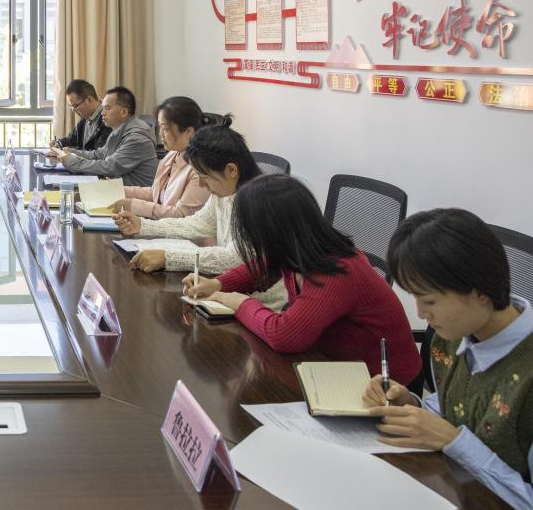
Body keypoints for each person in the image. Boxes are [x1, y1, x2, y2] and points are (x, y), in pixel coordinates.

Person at [362, 209, 533, 508]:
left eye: (428, 301)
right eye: (415, 298)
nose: (420, 314)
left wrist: (454, 442)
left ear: (480, 292)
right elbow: (454, 406)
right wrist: (410, 404)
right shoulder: (454, 333)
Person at [183, 174, 421, 385]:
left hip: (383, 383)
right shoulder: (297, 250)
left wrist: (238, 302)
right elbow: (260, 266)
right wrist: (218, 283)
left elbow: (283, 336)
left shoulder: (337, 271)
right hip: (331, 364)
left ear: (274, 232)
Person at [113, 121, 286, 309]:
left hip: (264, 305)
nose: (202, 185)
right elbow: (197, 224)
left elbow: (234, 258)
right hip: (235, 294)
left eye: (204, 177)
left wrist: (168, 258)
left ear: (231, 170)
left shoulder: (258, 202)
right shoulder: (224, 192)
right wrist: (144, 225)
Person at [109, 96, 211, 219]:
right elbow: (156, 194)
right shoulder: (173, 154)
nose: (160, 134)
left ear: (188, 131)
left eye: (166, 128)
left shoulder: (200, 168)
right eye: (160, 127)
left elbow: (182, 215)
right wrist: (118, 190)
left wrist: (133, 205)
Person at [53, 86, 158, 186]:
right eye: (102, 108)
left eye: (107, 108)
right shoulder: (118, 131)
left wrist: (72, 161)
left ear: (124, 112)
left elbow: (109, 167)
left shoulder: (137, 139)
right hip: (118, 190)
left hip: (133, 196)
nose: (102, 113)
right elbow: (98, 154)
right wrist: (71, 152)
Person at [51, 79, 110, 151]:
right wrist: (58, 143)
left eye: (75, 106)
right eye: (72, 107)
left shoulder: (108, 119)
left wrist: (70, 151)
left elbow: (98, 153)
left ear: (89, 100)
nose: (74, 111)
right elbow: (72, 139)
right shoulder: (86, 117)